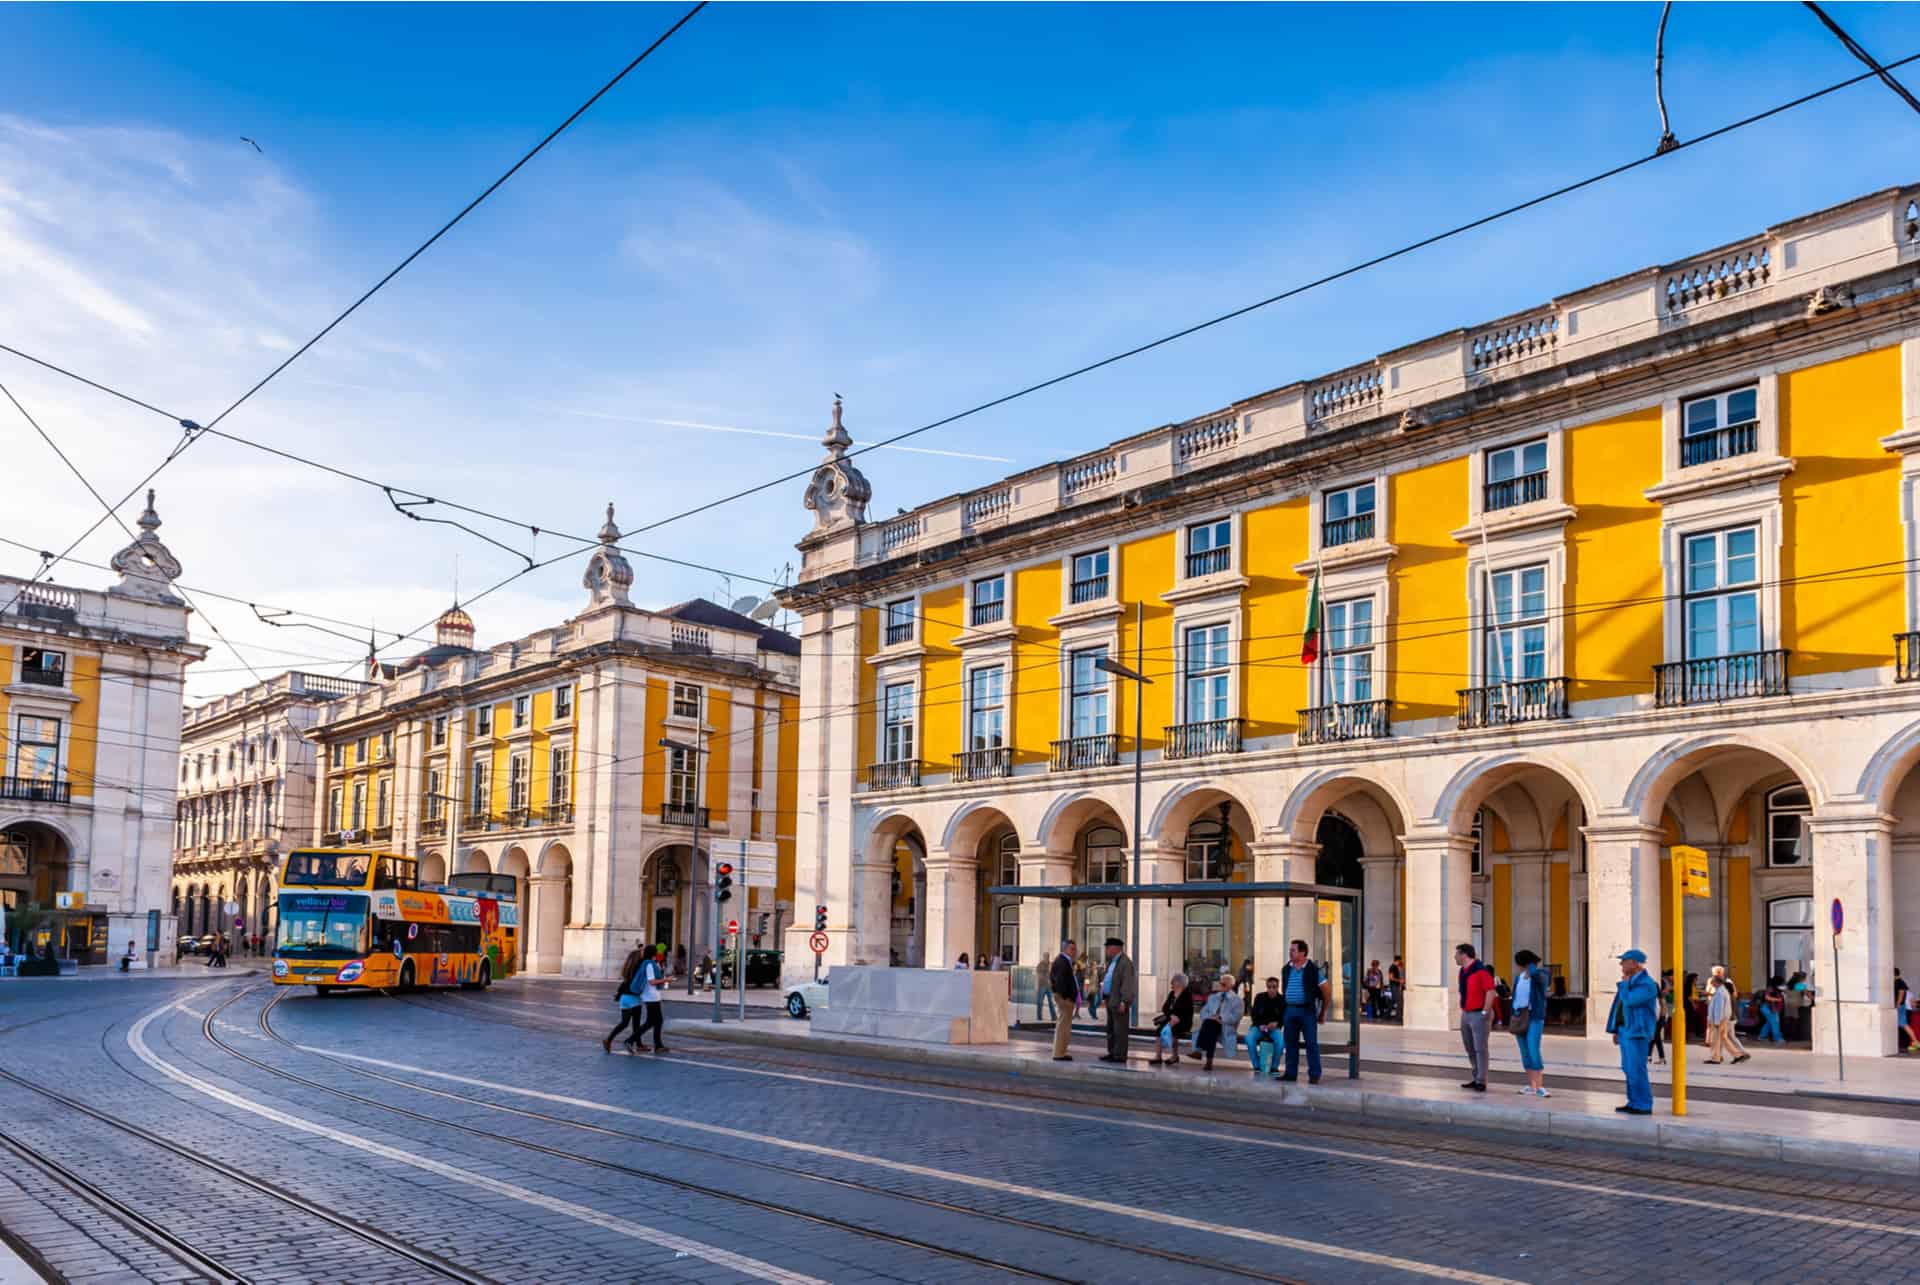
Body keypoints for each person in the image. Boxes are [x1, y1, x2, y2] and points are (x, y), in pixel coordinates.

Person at [1606, 947, 1660, 1115]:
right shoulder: (1630, 983)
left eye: (1624, 961)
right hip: (1625, 1030)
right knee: (1628, 1068)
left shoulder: (1647, 984)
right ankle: (1633, 1102)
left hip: (1637, 1031)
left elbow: (1630, 1001)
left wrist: (1623, 984)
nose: (1621, 964)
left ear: (1635, 964)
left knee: (1637, 1068)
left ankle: (1643, 1104)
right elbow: (1619, 1007)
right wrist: (1615, 1029)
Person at [1277, 939, 1329, 1083]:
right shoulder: (1287, 968)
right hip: (1290, 1010)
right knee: (1290, 1043)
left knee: (1311, 1043)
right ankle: (1290, 1073)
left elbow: (1326, 990)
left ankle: (1314, 1074)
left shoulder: (1313, 970)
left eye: (1293, 950)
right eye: (1290, 949)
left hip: (1307, 1011)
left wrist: (1323, 1011)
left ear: (1302, 952)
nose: (1290, 952)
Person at [1455, 943, 1497, 1092]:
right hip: (1466, 1013)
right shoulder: (1463, 971)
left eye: (1457, 954)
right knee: (1470, 1047)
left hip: (1479, 1013)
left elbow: (1490, 992)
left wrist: (1485, 1012)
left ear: (1464, 954)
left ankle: (1481, 1080)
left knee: (1480, 1048)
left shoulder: (1481, 971)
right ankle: (1475, 1076)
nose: (1455, 957)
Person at [1509, 949, 1550, 1098]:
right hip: (1520, 1016)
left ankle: (1539, 1086)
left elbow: (1543, 980)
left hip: (1534, 1017)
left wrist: (1532, 968)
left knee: (1533, 1049)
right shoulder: (1518, 978)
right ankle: (1532, 1085)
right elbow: (1515, 997)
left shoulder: (1540, 975)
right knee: (1524, 1052)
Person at [1192, 971, 1242, 1071]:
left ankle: (1199, 1051)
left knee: (1209, 1026)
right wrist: (1211, 1017)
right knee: (1210, 1025)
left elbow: (1236, 1017)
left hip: (1225, 1025)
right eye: (1220, 983)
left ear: (1231, 986)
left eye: (1224, 984)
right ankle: (1208, 1062)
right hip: (1211, 1025)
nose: (1221, 986)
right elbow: (1203, 1013)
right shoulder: (1213, 997)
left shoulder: (1237, 1000)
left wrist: (1221, 1017)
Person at [1097, 937, 1137, 1064]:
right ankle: (1112, 1052)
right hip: (1110, 999)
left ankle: (1120, 1055)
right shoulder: (1112, 962)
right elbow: (1108, 979)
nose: (1107, 950)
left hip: (1119, 1001)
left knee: (1120, 1030)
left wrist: (1125, 1001)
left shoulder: (1125, 963)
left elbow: (1128, 983)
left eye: (1108, 947)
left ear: (1116, 948)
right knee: (1111, 1029)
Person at [604, 942, 649, 1053]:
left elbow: (624, 984)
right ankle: (637, 1044)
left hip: (624, 998)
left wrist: (618, 995)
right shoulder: (639, 968)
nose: (643, 953)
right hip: (633, 998)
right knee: (636, 1023)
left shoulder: (628, 970)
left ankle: (608, 1040)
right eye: (642, 952)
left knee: (624, 1023)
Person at [627, 944, 669, 1053]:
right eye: (656, 951)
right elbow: (651, 981)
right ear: (653, 953)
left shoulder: (647, 963)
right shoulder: (649, 964)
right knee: (651, 1022)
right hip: (651, 996)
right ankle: (630, 1040)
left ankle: (658, 1045)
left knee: (658, 1021)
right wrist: (666, 980)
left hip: (652, 996)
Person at [1151, 973, 1194, 1066]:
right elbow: (1165, 1008)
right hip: (1171, 1019)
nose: (1171, 983)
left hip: (1183, 1021)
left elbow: (1187, 1011)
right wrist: (1171, 1016)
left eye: (1173, 981)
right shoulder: (1171, 993)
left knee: (1174, 1031)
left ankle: (1174, 1056)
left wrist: (1177, 1018)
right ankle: (1158, 1056)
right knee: (1159, 1031)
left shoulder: (1187, 995)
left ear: (1180, 983)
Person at [1246, 976, 1285, 1075]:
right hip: (1259, 1027)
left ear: (1278, 987)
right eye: (1269, 987)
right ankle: (1257, 1066)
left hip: (1274, 1028)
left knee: (1280, 1042)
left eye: (1274, 987)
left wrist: (1277, 1024)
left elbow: (1284, 1017)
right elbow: (1254, 1014)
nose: (1271, 989)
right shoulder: (1259, 997)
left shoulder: (1282, 1000)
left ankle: (1274, 1067)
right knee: (1249, 1038)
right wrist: (1260, 1025)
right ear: (1266, 987)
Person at [1049, 940, 1080, 1061]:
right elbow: (1059, 980)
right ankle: (1058, 1053)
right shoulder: (1062, 961)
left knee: (1065, 1026)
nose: (1074, 951)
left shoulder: (1064, 960)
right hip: (1064, 998)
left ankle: (1062, 1051)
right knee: (1063, 1026)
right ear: (1065, 949)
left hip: (1065, 997)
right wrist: (1066, 996)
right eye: (1072, 949)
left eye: (1074, 949)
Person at [1759, 974, 1787, 1045]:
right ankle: (1777, 1038)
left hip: (1768, 1008)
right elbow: (1767, 997)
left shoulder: (1774, 988)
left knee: (1769, 1023)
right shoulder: (1771, 988)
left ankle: (1762, 1036)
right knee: (1775, 1023)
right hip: (1770, 1008)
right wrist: (1777, 999)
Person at [1035, 952, 1056, 1022]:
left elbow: (1053, 974)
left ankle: (1054, 1016)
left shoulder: (1050, 964)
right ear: (1043, 957)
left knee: (1051, 1002)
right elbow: (1038, 976)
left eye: (1048, 956)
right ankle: (1039, 1016)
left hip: (1049, 986)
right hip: (1042, 986)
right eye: (1046, 956)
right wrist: (1037, 986)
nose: (1047, 958)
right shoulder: (1040, 965)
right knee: (1040, 1002)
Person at [1387, 955, 1405, 1020]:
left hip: (1395, 986)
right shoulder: (1393, 967)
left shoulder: (1395, 967)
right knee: (1399, 1001)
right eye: (1400, 960)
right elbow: (1391, 978)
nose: (1401, 961)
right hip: (1394, 986)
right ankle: (1398, 1017)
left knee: (1393, 1000)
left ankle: (1387, 1014)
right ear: (1398, 960)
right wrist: (1400, 980)